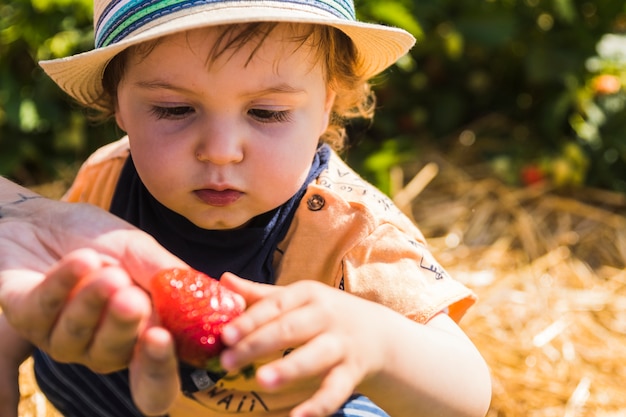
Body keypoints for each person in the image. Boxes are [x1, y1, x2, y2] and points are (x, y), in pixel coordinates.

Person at [0, 0, 492, 416]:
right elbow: (30, 284)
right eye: (174, 109)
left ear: (326, 106)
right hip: (142, 394)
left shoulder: (353, 234)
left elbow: (468, 391)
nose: (221, 150)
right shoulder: (107, 181)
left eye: (266, 113)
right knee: (70, 329)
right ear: (119, 106)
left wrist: (379, 344)